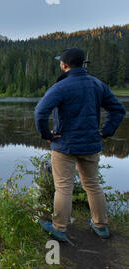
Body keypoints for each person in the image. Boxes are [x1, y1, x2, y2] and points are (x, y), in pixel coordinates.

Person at [34, 48, 126, 241]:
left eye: (61, 62)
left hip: (64, 146)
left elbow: (40, 113)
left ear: (64, 65)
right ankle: (101, 225)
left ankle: (59, 228)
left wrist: (46, 135)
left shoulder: (61, 87)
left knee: (63, 187)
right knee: (93, 185)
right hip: (91, 145)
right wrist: (106, 132)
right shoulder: (97, 84)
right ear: (83, 64)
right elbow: (118, 110)